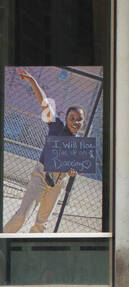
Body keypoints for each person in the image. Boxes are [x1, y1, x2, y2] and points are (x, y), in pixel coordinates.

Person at [3, 68, 84, 234]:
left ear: (83, 121)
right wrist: (33, 81)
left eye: (79, 119)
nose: (75, 121)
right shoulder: (57, 126)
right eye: (72, 118)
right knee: (22, 216)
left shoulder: (79, 143)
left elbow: (74, 167)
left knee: (41, 225)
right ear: (66, 118)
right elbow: (44, 102)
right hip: (41, 175)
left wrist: (73, 172)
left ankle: (30, 253)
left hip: (58, 182)